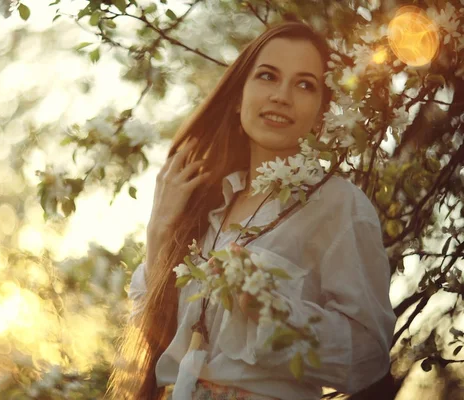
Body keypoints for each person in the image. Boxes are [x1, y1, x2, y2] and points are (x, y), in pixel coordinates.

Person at [107, 20, 397, 400]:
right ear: (237, 98)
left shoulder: (338, 206)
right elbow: (155, 336)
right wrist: (159, 230)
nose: (282, 95)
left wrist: (273, 313)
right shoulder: (206, 204)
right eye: (267, 76)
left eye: (305, 84)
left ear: (322, 111)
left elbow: (368, 357)